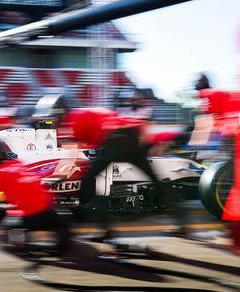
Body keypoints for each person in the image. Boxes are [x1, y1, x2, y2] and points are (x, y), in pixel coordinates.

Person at [32, 94, 188, 241]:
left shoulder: (73, 120)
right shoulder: (80, 115)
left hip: (117, 139)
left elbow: (72, 154)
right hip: (129, 136)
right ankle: (182, 224)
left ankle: (104, 229)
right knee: (155, 181)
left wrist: (58, 177)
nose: (51, 122)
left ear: (60, 113)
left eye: (52, 119)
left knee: (90, 183)